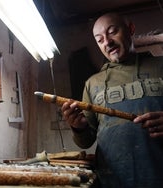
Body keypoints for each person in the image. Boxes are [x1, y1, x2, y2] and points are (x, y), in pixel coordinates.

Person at [61, 12, 163, 187]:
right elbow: (86, 142)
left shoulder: (160, 66)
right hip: (113, 181)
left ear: (130, 29)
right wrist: (78, 127)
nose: (107, 42)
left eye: (112, 31)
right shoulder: (93, 84)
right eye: (100, 40)